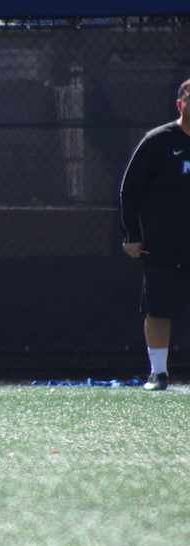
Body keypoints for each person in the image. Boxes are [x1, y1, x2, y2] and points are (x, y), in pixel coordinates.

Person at [120, 78, 190, 391]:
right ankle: (158, 374)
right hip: (163, 246)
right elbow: (129, 190)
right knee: (159, 308)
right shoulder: (158, 140)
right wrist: (131, 235)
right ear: (180, 104)